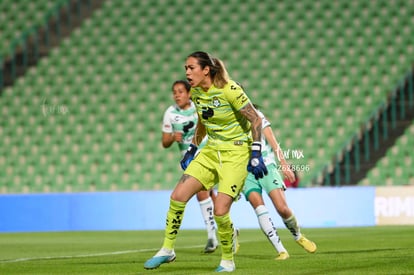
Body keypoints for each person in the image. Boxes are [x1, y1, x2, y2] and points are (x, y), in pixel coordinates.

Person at [144, 51, 267, 272]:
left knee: (220, 211)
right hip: (210, 151)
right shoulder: (198, 93)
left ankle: (228, 261)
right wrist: (192, 147)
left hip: (235, 154)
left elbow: (255, 118)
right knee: (177, 196)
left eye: (191, 68)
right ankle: (167, 249)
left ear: (206, 70)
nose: (187, 72)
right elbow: (203, 120)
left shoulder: (230, 90)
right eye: (185, 69)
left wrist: (256, 153)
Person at [242, 105, 317, 260]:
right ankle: (281, 250)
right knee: (259, 209)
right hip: (245, 170)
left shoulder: (257, 115)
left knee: (282, 208)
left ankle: (298, 235)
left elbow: (273, 142)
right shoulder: (227, 121)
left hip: (266, 164)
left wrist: (284, 164)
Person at [161, 79, 219, 253]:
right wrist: (172, 138)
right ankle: (227, 229)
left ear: (188, 94)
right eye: (174, 92)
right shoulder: (170, 113)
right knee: (210, 196)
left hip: (206, 154)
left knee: (202, 194)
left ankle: (212, 237)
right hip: (187, 159)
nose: (177, 95)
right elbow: (164, 142)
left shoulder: (198, 107)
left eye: (180, 91)